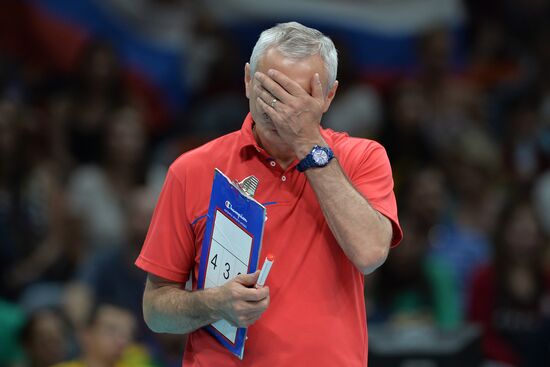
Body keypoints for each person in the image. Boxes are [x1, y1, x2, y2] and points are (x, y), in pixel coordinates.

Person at [136, 22, 402, 366]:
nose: (283, 110)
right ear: (248, 80)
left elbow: (370, 253)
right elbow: (156, 311)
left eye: (299, 97)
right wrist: (214, 303)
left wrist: (307, 144)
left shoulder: (362, 157)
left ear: (329, 96)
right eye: (271, 91)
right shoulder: (191, 170)